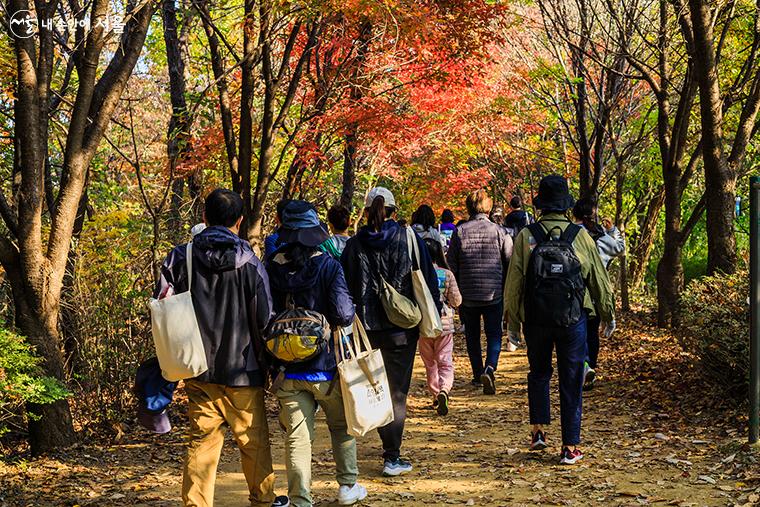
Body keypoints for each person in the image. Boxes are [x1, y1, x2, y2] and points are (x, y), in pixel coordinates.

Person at [154, 188, 288, 507]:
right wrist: (272, 363)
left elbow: (162, 305)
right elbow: (265, 316)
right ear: (239, 222)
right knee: (253, 442)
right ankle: (263, 500)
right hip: (245, 369)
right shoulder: (251, 263)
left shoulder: (179, 257)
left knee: (201, 443)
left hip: (196, 367)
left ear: (204, 217)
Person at [504, 175, 615, 466]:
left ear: (541, 203)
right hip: (573, 320)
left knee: (539, 372)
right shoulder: (581, 237)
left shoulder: (527, 236)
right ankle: (570, 446)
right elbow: (599, 282)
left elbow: (514, 283)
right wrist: (607, 315)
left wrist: (513, 325)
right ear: (566, 205)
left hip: (536, 320)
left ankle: (538, 430)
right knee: (571, 380)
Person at [267, 200, 367, 507]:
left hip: (287, 369)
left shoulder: (271, 266)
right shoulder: (328, 266)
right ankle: (347, 486)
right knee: (341, 427)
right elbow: (344, 313)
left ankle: (301, 499)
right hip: (328, 366)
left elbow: (264, 314)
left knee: (298, 438)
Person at [341, 187, 441, 477]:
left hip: (366, 329)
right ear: (394, 210)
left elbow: (344, 286)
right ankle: (391, 455)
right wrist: (432, 314)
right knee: (397, 391)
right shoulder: (408, 238)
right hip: (402, 327)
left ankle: (382, 443)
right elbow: (428, 278)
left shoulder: (354, 245)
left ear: (368, 210)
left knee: (374, 386)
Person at [446, 189, 512, 395]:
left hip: (467, 294)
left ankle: (477, 374)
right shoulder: (499, 231)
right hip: (493, 293)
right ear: (488, 207)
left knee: (472, 335)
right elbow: (509, 260)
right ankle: (490, 368)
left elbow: (452, 264)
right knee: (494, 334)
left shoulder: (460, 231)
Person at [572, 197, 624, 390]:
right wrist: (613, 231)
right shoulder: (601, 236)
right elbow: (620, 248)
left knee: (577, 332)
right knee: (592, 333)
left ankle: (583, 365)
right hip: (597, 291)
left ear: (573, 213)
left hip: (575, 291)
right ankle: (590, 367)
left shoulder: (571, 234)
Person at [419, 238, 461, 416]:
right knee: (445, 361)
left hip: (424, 324)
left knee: (430, 363)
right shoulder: (447, 274)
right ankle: (444, 390)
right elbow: (456, 300)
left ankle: (435, 393)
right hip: (444, 324)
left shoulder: (418, 274)